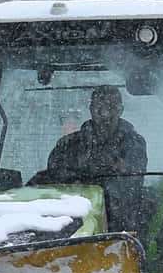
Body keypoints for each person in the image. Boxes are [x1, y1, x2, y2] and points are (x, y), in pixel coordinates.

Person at [34, 85, 149, 232]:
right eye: (99, 107)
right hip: (72, 221)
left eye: (111, 107)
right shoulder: (68, 145)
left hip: (120, 224)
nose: (105, 114)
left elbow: (131, 186)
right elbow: (54, 183)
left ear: (121, 110)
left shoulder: (134, 144)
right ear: (91, 109)